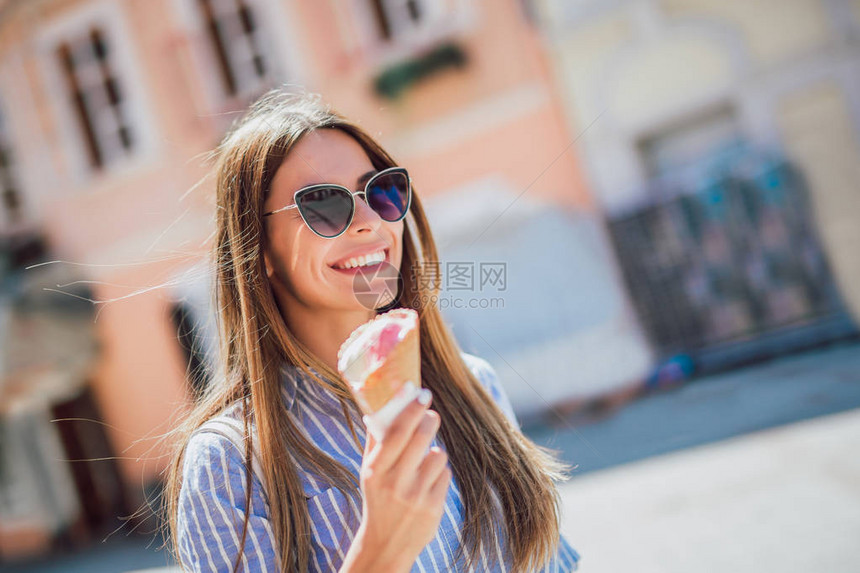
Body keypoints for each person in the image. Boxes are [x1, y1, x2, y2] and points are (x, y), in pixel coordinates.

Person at [164, 89, 581, 572]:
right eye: (323, 204)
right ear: (259, 251)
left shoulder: (476, 386)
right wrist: (380, 552)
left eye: (382, 192)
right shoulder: (228, 464)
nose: (369, 222)